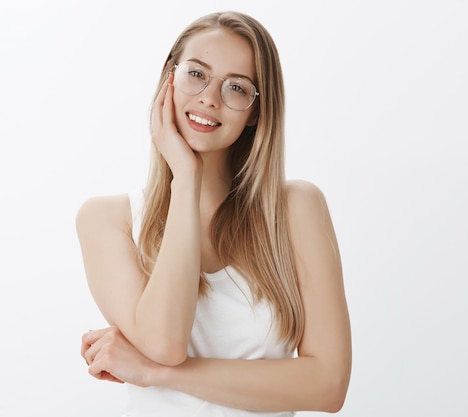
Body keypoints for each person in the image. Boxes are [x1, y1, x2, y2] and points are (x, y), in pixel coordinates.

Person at [76, 11, 351, 417]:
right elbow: (165, 343)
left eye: (236, 87)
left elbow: (328, 387)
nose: (208, 97)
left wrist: (157, 374)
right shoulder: (107, 220)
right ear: (168, 80)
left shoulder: (296, 210)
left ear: (256, 112)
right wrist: (185, 178)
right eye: (196, 74)